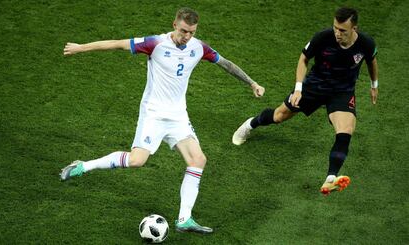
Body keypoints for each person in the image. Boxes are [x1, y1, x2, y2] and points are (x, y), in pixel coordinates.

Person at [60, 7, 265, 234]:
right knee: (137, 160)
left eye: (192, 32)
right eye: (184, 30)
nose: (187, 36)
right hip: (154, 114)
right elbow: (116, 43)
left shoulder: (198, 48)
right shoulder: (154, 43)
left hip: (178, 116)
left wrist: (252, 83)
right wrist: (81, 48)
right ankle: (82, 166)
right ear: (174, 25)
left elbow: (225, 63)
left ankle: (184, 219)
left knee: (198, 159)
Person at [232, 7, 378, 195]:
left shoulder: (366, 43)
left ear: (354, 29)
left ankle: (331, 178)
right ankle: (250, 124)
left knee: (345, 130)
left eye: (343, 30)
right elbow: (303, 59)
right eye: (335, 28)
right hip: (314, 87)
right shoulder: (323, 37)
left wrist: (374, 84)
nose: (337, 33)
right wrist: (299, 89)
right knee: (279, 116)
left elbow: (371, 61)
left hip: (342, 92)